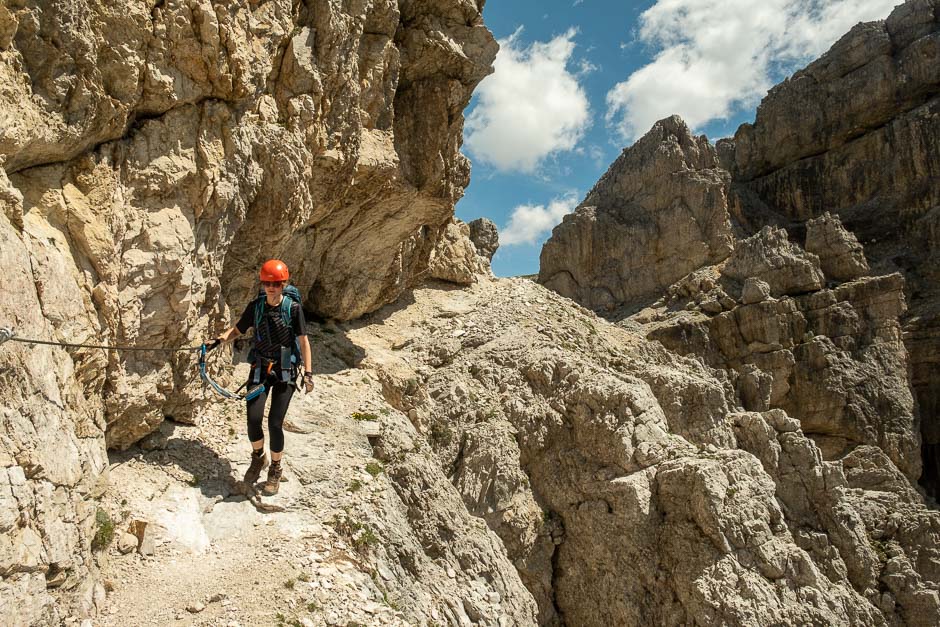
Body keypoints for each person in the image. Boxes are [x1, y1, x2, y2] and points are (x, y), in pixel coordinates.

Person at [214, 260, 314, 495]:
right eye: (268, 283)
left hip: (285, 371)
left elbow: (303, 341)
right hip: (260, 368)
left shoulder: (293, 309)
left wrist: (308, 374)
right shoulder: (256, 306)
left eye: (276, 283)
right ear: (263, 283)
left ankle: (276, 468)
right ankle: (259, 457)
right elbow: (238, 330)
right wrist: (218, 341)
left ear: (283, 284)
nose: (272, 287)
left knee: (275, 423)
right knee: (253, 419)